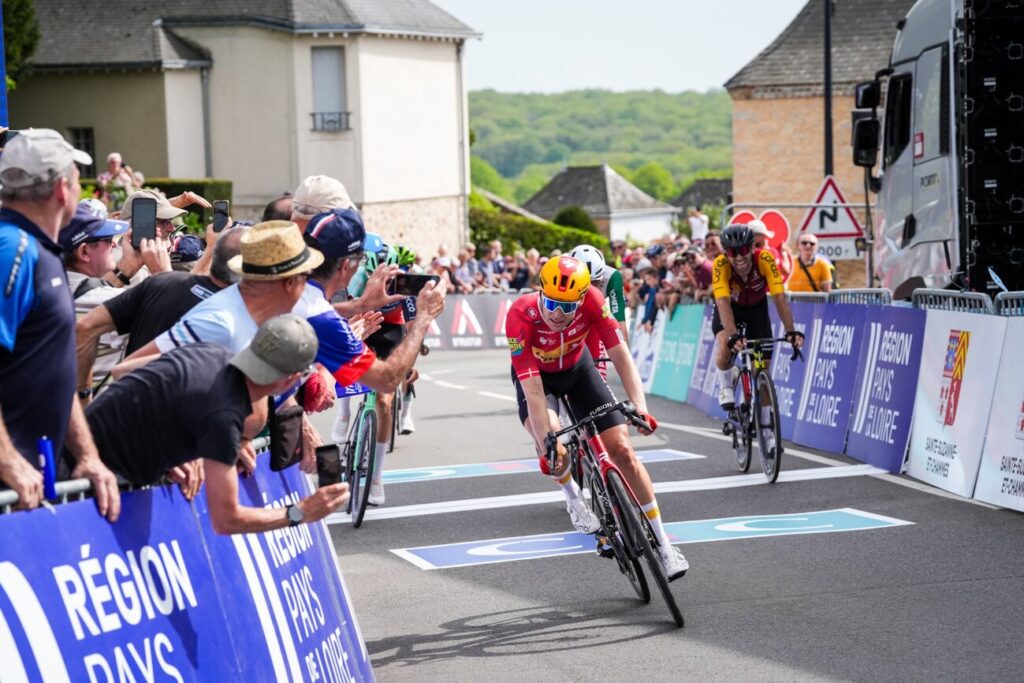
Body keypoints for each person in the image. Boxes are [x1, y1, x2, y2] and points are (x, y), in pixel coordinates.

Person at [505, 255, 689, 580]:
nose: (558, 315)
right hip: (539, 380)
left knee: (624, 451)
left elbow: (619, 353)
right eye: (552, 304)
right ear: (541, 292)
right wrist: (546, 440)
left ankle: (664, 544)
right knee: (553, 440)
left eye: (567, 307)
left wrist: (639, 406)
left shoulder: (593, 299)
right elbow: (533, 392)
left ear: (581, 299)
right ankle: (572, 496)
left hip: (579, 370)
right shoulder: (520, 314)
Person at [86, 314, 350, 533]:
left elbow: (122, 371)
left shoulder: (213, 351)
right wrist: (301, 512)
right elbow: (226, 520)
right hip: (95, 478)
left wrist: (164, 449)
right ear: (290, 380)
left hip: (87, 445)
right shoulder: (225, 415)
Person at [0, 129, 121, 519]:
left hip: (34, 480)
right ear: (62, 189)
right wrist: (8, 461)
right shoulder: (13, 248)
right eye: (77, 178)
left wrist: (86, 455)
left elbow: (53, 369)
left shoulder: (39, 249)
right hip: (12, 485)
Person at [75, 226, 245, 398]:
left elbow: (87, 322)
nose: (113, 243)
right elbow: (124, 369)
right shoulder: (228, 319)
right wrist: (163, 276)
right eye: (107, 240)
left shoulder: (60, 289)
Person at [711, 225, 804, 456]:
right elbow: (722, 302)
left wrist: (791, 330)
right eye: (732, 252)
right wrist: (733, 335)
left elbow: (779, 298)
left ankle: (768, 434)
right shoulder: (720, 265)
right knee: (725, 344)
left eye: (743, 250)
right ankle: (726, 386)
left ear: (752, 248)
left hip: (756, 310)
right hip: (730, 309)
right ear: (725, 253)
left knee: (762, 371)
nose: (739, 257)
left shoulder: (765, 259)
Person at [569, 244, 629, 346]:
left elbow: (619, 318)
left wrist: (626, 352)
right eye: (585, 283)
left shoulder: (613, 276)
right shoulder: (565, 275)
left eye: (595, 282)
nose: (590, 288)